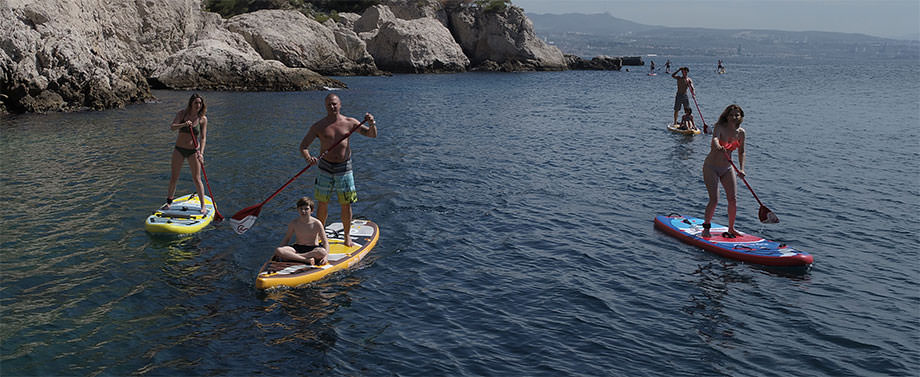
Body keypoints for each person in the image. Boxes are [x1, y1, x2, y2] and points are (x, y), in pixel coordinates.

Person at [300, 93, 377, 247]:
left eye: (334, 104)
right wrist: (309, 158)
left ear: (340, 104)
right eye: (329, 104)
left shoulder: (350, 122)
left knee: (346, 204)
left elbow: (371, 134)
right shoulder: (319, 126)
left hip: (344, 168)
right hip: (325, 168)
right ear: (325, 106)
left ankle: (347, 236)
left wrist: (372, 123)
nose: (332, 106)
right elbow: (303, 147)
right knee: (323, 203)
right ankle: (318, 235)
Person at [701, 104, 746, 238]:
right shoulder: (720, 127)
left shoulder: (741, 133)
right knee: (714, 199)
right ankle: (706, 227)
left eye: (736, 115)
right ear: (726, 116)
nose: (734, 117)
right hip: (711, 167)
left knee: (733, 199)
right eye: (731, 115)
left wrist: (742, 169)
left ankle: (731, 228)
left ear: (740, 117)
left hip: (727, 168)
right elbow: (714, 139)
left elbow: (741, 152)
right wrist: (718, 145)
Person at [165, 93, 208, 213]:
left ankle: (203, 205)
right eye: (196, 103)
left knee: (197, 178)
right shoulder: (182, 114)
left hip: (193, 151)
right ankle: (169, 203)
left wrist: (201, 153)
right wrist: (184, 124)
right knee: (174, 177)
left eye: (200, 103)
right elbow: (172, 127)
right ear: (191, 103)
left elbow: (203, 138)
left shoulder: (202, 119)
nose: (198, 105)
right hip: (179, 149)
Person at [273, 197, 329, 265]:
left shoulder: (317, 223)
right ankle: (305, 260)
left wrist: (326, 257)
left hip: (312, 249)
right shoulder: (294, 223)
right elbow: (286, 239)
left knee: (322, 252)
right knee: (278, 250)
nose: (303, 211)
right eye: (301, 209)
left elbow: (325, 242)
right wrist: (278, 253)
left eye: (306, 209)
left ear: (311, 210)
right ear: (298, 210)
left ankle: (294, 257)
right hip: (298, 248)